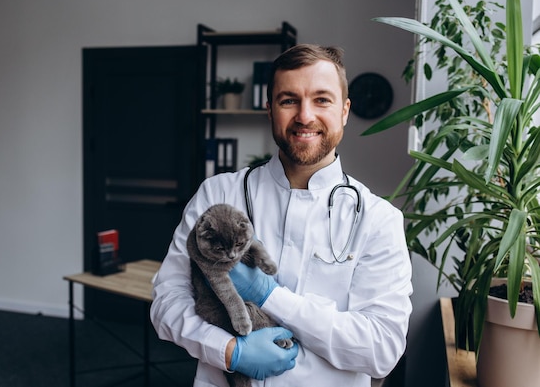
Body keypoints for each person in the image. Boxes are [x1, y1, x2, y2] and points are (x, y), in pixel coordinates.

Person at [150, 44, 413, 387]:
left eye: (322, 100)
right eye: (289, 100)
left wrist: (269, 296)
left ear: (345, 110)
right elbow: (167, 303)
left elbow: (382, 350)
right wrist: (229, 350)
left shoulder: (378, 220)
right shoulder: (218, 194)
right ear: (270, 109)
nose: (305, 116)